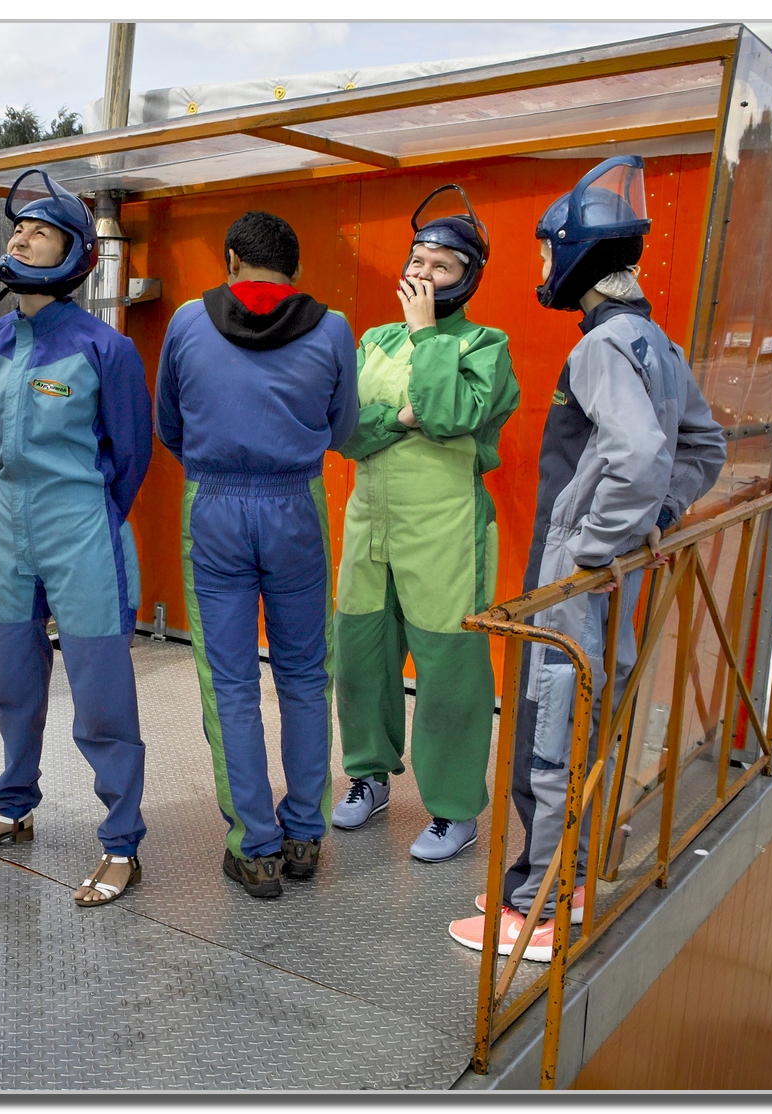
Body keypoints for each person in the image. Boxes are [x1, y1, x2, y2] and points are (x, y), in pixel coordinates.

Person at [449, 155, 726, 960]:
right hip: (612, 569)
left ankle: (534, 911)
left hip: (579, 571)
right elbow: (701, 447)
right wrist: (652, 520)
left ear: (576, 254)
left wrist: (597, 542)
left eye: (545, 253)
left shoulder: (603, 346)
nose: (541, 268)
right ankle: (552, 881)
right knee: (584, 719)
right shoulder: (653, 340)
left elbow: (638, 453)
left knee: (553, 722)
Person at [0, 170, 154, 910]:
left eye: (41, 231)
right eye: (19, 228)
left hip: (81, 527)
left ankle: (121, 841)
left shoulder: (106, 349)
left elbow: (132, 454)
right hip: (9, 525)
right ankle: (13, 805)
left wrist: (90, 516)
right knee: (12, 680)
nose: (22, 237)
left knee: (100, 692)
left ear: (73, 255)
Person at [155, 211, 359, 899]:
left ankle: (256, 848)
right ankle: (304, 835)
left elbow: (169, 426)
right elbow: (343, 429)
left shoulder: (187, 321)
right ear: (294, 269)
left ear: (232, 259)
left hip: (214, 505)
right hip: (295, 506)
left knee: (231, 683)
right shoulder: (333, 328)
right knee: (305, 675)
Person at [330, 185, 520, 864]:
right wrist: (398, 419)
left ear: (468, 277)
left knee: (448, 668)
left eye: (442, 266)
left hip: (445, 529)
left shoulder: (484, 345)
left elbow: (447, 415)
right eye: (418, 261)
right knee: (360, 654)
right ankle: (368, 775)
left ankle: (452, 808)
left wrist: (426, 336)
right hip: (370, 524)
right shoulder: (373, 341)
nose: (425, 274)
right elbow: (345, 431)